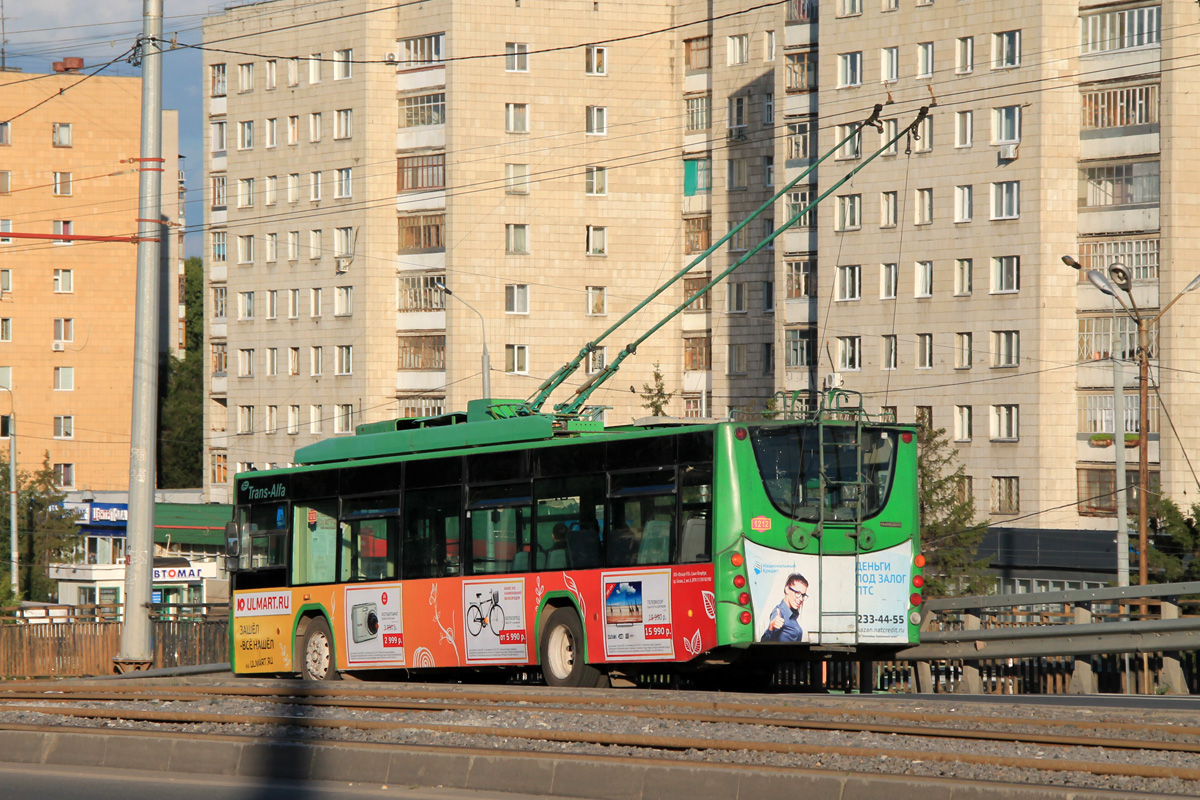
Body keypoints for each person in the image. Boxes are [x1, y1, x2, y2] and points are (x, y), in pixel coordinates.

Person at [760, 572, 809, 642]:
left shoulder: (792, 615)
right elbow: (764, 643)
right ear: (787, 590)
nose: (801, 599)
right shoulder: (779, 612)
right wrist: (771, 628)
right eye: (797, 593)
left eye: (803, 595)